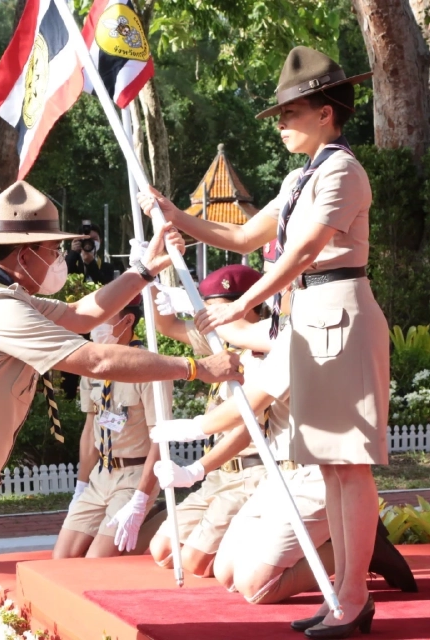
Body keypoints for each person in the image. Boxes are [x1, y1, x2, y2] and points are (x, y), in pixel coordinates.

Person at [0, 181, 242, 640]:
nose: (58, 258)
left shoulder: (3, 296)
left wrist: (143, 271)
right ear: (24, 255)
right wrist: (196, 367)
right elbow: (96, 358)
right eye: (51, 248)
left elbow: (83, 314)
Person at [140, 47, 386, 637]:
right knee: (329, 467)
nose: (279, 122)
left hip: (341, 316)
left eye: (290, 111)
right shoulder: (301, 177)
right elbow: (247, 236)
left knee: (349, 467)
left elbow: (303, 251)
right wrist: (178, 215)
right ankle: (342, 597)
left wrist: (246, 304)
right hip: (311, 319)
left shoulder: (342, 172)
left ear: (327, 113)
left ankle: (352, 598)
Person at [151, 323, 416, 606]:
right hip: (279, 476)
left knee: (256, 588)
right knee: (226, 574)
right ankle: (338, 543)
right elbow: (235, 333)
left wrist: (197, 433)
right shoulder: (271, 330)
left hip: (316, 472)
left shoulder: (308, 327)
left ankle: (357, 553)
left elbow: (253, 399)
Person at [145, 265, 271, 578]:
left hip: (251, 474)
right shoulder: (220, 344)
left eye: (217, 311)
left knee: (195, 562)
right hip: (218, 476)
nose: (210, 320)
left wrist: (196, 468)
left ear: (249, 305)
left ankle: (268, 555)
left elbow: (247, 430)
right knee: (162, 549)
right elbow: (165, 324)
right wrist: (149, 274)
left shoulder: (266, 351)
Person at [53, 299, 171, 558]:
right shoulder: (92, 365)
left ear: (127, 321)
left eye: (104, 317)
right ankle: (151, 521)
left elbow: (161, 441)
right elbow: (89, 432)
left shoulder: (151, 367)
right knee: (62, 559)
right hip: (100, 476)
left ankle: (158, 519)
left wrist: (141, 497)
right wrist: (81, 487)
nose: (95, 326)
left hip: (134, 476)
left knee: (97, 560)